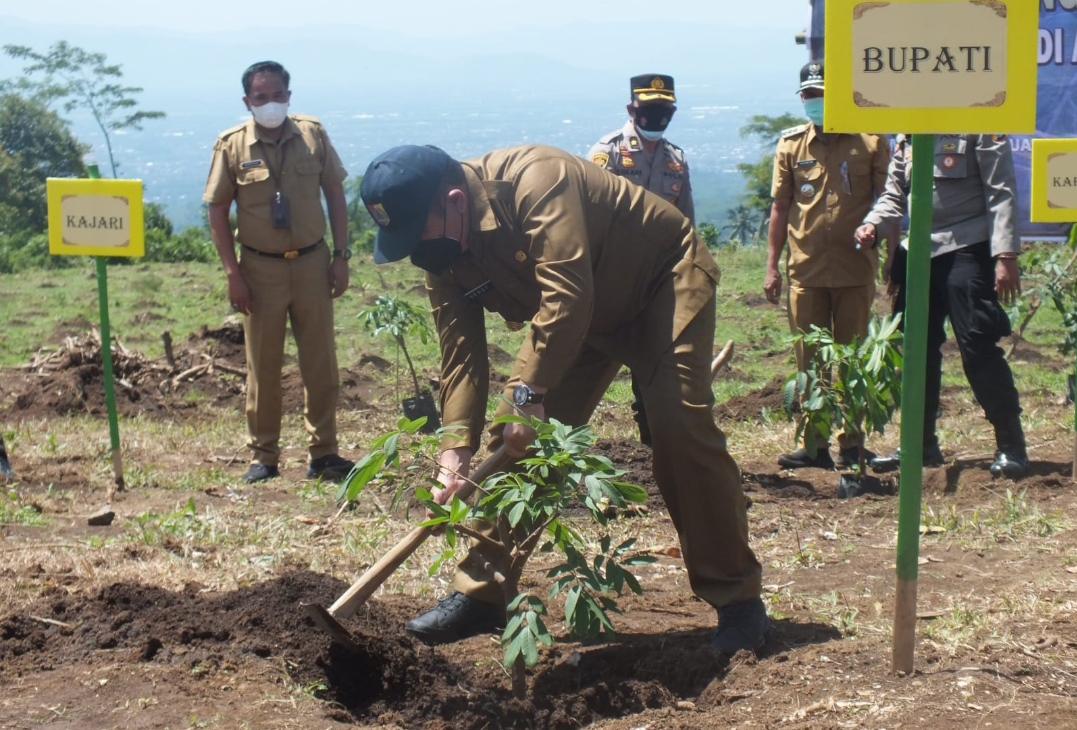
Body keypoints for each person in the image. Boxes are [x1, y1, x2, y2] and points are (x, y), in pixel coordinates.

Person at [359, 143, 768, 653]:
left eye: (416, 232)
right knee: (517, 446)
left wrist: (527, 395)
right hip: (582, 321)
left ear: (456, 201)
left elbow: (566, 294)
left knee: (679, 428)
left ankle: (738, 601)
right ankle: (482, 595)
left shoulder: (535, 179)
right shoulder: (442, 253)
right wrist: (454, 448)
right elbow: (461, 357)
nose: (416, 251)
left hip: (660, 282)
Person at [204, 61, 354, 484]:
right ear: (247, 101)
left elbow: (335, 193)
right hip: (259, 270)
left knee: (321, 363)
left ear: (289, 94)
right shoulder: (232, 146)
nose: (270, 103)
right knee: (263, 367)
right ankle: (264, 456)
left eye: (277, 95)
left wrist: (340, 255)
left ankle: (324, 453)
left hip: (311, 264)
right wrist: (232, 273)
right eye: (260, 97)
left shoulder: (312, 134)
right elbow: (217, 209)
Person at [854, 134, 1029, 479]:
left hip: (968, 246)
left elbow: (1001, 190)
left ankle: (1011, 445)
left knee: (978, 346)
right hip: (918, 248)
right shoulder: (908, 134)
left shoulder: (979, 126)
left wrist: (1006, 254)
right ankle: (919, 445)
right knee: (914, 351)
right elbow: (893, 194)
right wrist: (872, 223)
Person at [765, 61, 891, 470]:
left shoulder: (870, 142)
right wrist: (772, 267)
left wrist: (883, 243)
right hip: (806, 271)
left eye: (823, 95)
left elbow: (887, 201)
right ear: (802, 99)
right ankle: (814, 444)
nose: (816, 102)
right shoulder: (791, 145)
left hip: (855, 271)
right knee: (811, 361)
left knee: (853, 360)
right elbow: (780, 209)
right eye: (810, 96)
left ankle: (852, 444)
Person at [588, 74, 693, 446]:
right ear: (632, 109)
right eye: (649, 110)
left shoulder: (675, 161)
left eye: (665, 110)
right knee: (587, 360)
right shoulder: (609, 153)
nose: (657, 117)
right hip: (612, 276)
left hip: (657, 279)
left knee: (656, 358)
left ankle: (655, 440)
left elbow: (686, 225)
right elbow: (591, 214)